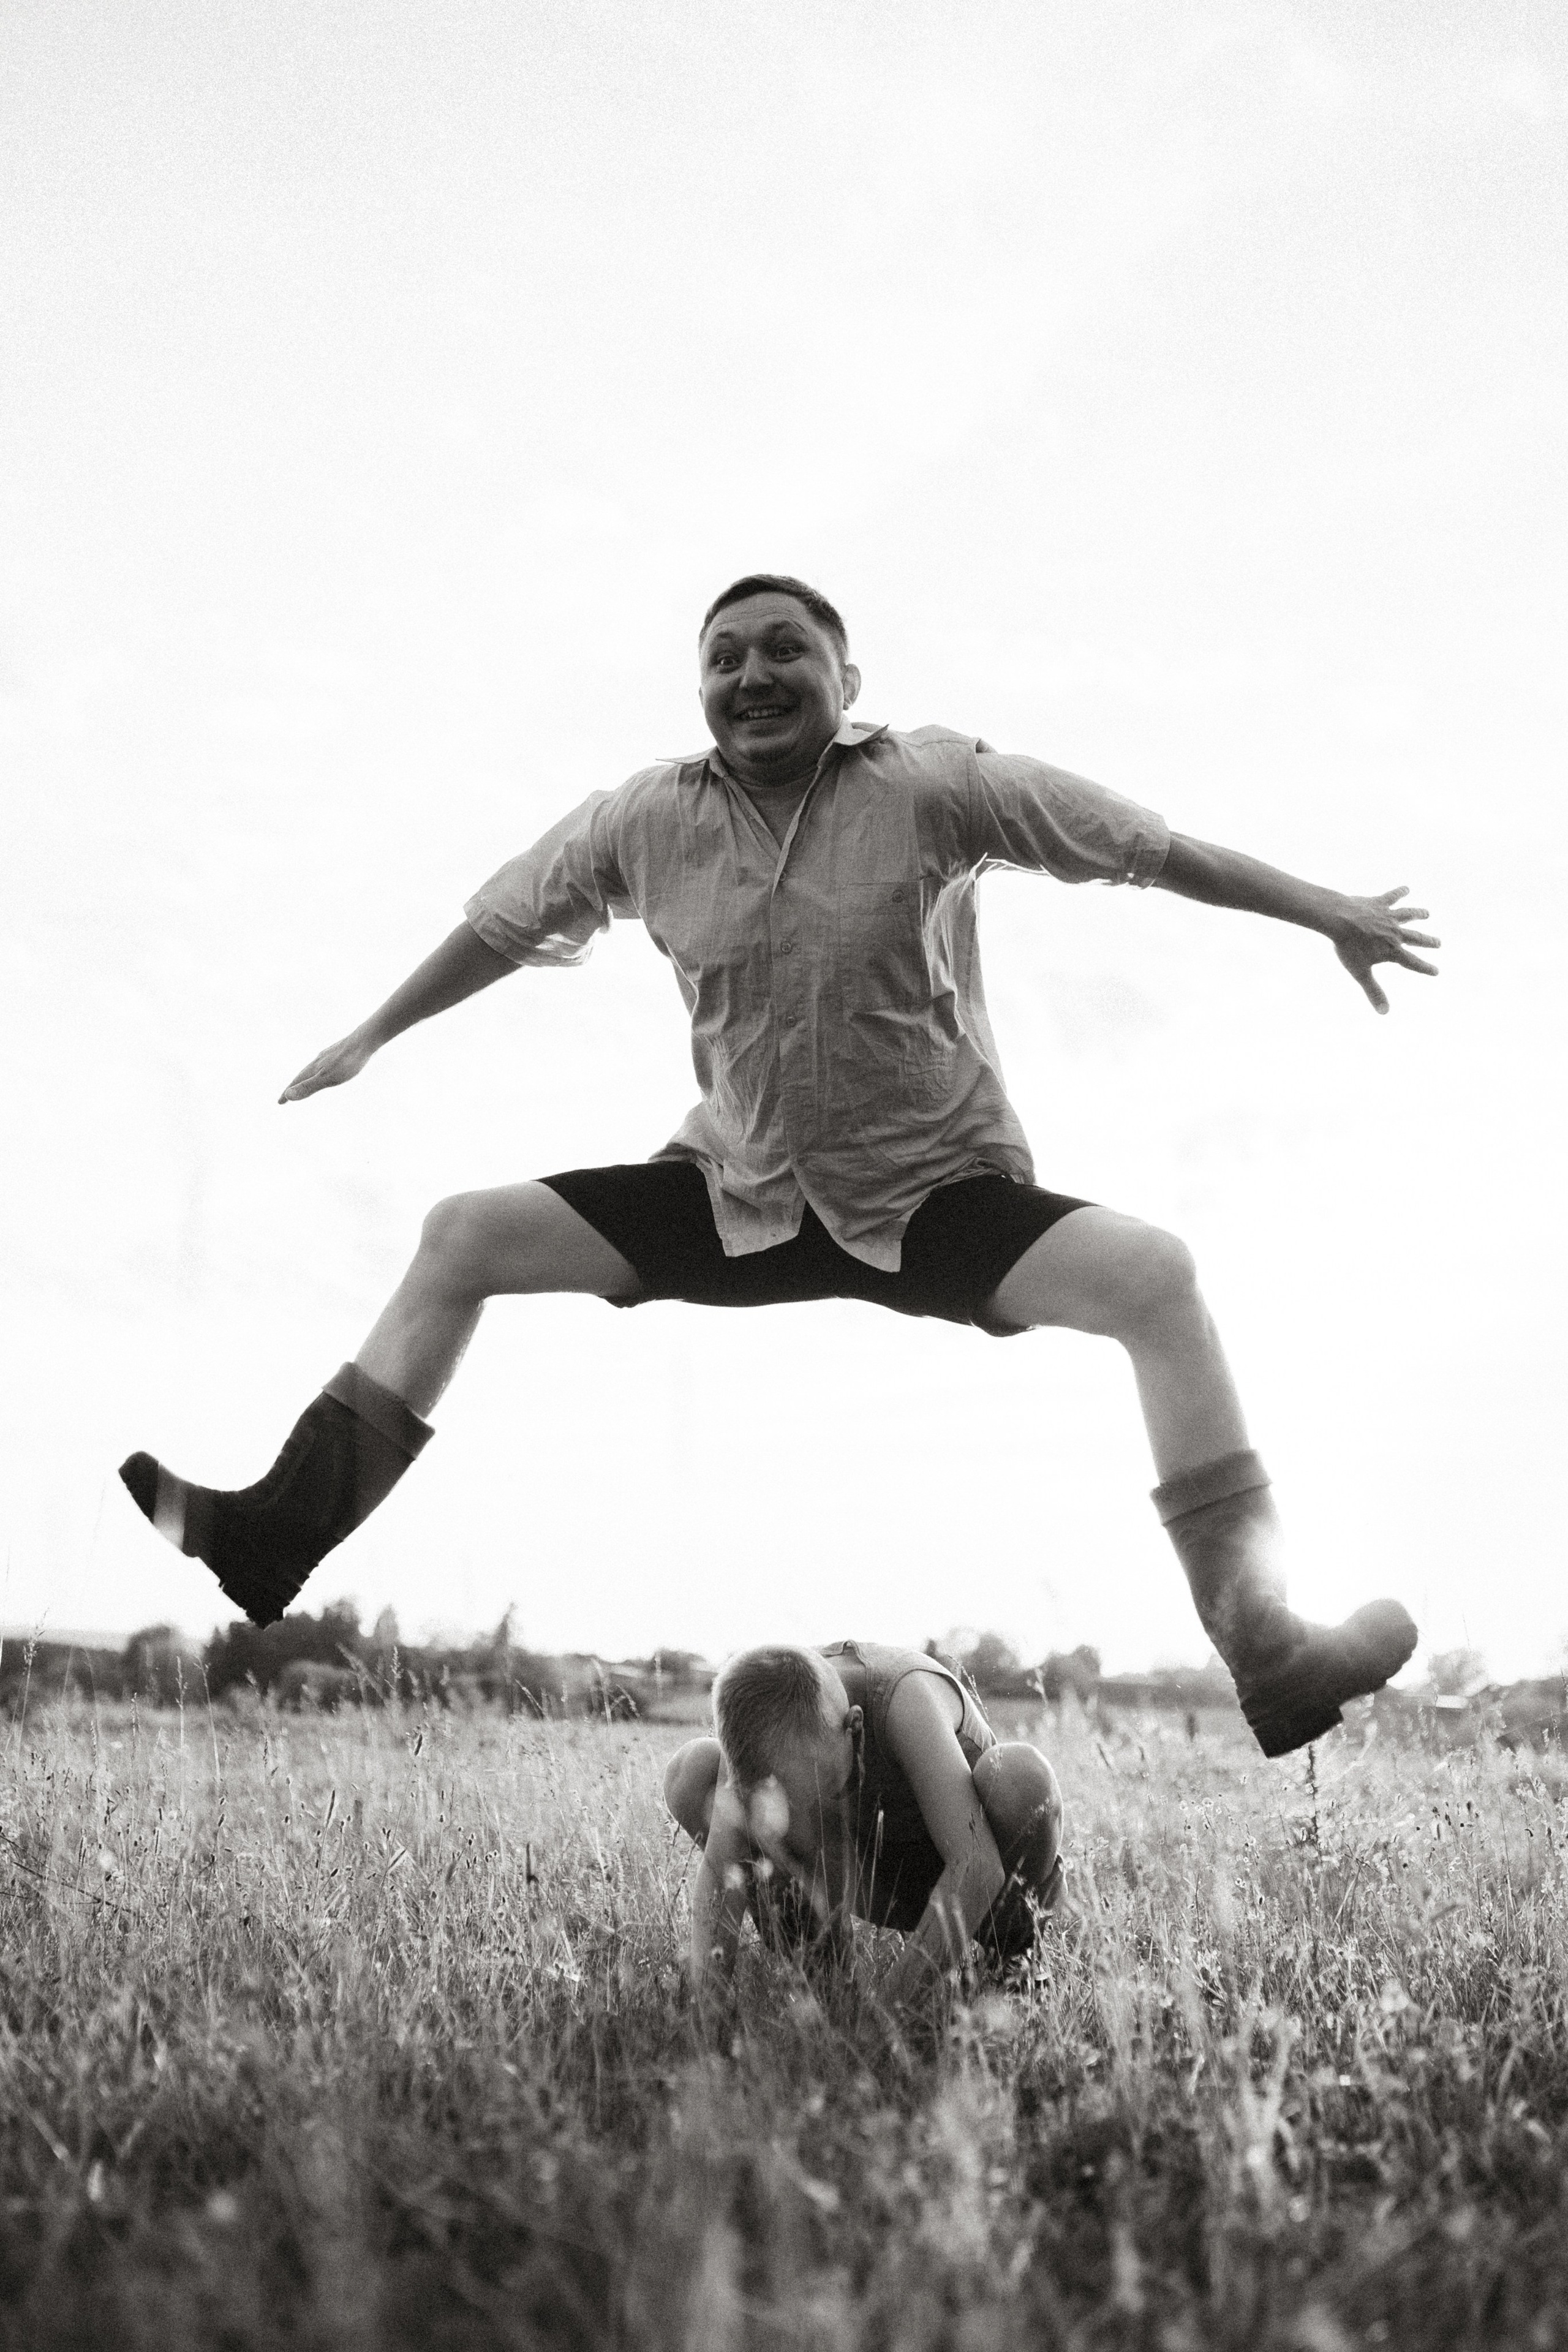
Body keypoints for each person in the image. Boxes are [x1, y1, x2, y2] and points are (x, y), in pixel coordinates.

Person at [119, 573, 1439, 1757]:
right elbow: (502, 921)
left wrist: (1319, 905)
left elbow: (1140, 846)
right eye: (723, 659)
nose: (751, 677)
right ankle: (272, 1539)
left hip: (931, 1199)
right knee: (460, 1235)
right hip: (733, 1195)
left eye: (783, 652)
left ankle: (1262, 1649)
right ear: (698, 689)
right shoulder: (643, 817)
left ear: (845, 681)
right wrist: (374, 1031)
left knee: (1156, 1279)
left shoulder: (934, 783)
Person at [663, 1641, 1064, 2010]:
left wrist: (887, 2016)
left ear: (854, 1727)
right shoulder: (757, 1722)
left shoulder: (907, 1699)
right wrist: (708, 2021)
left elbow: (976, 1865)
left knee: (1017, 1776)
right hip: (866, 1879)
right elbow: (722, 1869)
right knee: (693, 1770)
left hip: (969, 1876)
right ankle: (824, 1975)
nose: (804, 1816)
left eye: (819, 1787)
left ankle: (1014, 1956)